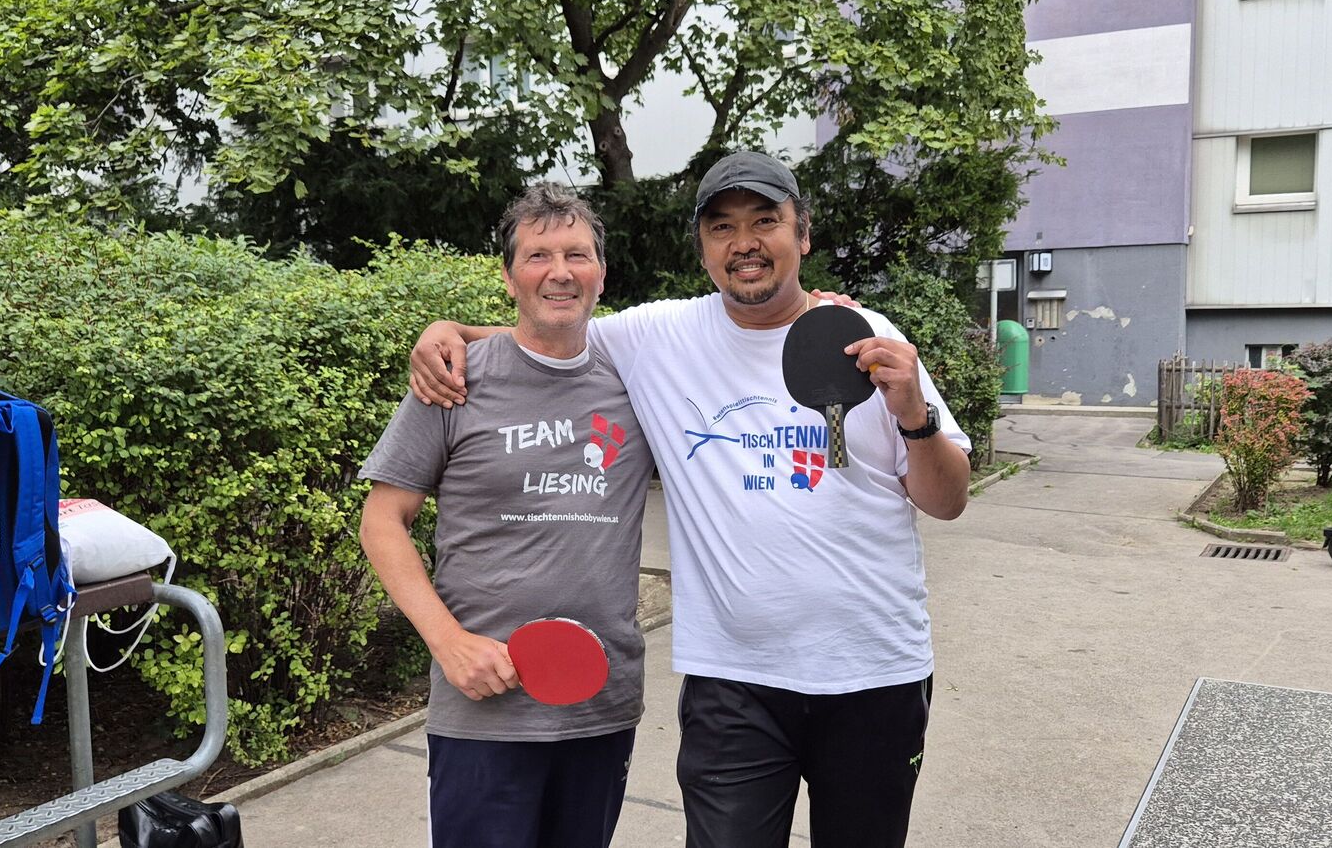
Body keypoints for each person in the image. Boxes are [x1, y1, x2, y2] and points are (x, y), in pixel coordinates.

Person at [408, 150, 972, 848]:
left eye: (766, 220)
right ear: (704, 248)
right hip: (733, 683)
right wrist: (448, 335)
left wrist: (915, 412)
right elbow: (546, 335)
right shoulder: (659, 335)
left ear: (803, 235)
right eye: (721, 227)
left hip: (875, 671)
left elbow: (946, 501)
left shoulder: (870, 338)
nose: (744, 243)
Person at [358, 183, 653, 848]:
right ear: (508, 275)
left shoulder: (639, 377)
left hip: (601, 705)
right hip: (483, 711)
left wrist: (820, 314)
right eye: (537, 256)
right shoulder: (454, 381)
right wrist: (447, 642)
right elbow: (382, 521)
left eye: (577, 255)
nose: (559, 272)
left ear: (601, 273)